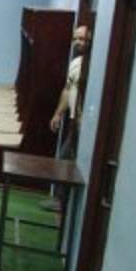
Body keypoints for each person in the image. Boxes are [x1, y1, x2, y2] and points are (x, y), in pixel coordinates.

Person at [43, 25, 91, 211]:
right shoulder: (76, 63)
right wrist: (58, 113)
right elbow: (67, 90)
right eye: (76, 39)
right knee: (64, 160)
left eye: (83, 39)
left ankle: (62, 203)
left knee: (68, 161)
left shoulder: (95, 66)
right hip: (73, 123)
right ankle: (60, 201)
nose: (78, 42)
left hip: (85, 125)